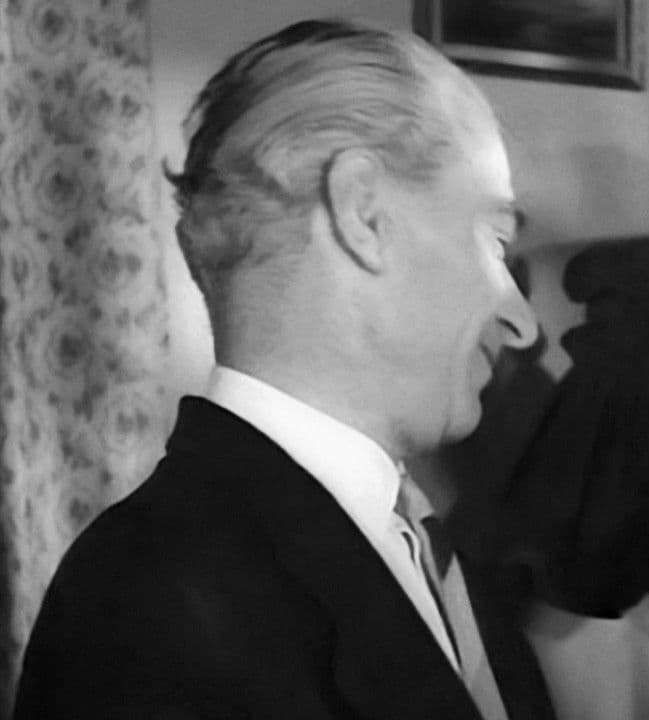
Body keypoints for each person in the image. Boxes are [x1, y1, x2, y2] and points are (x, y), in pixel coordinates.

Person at [15, 19, 554, 720]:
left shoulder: (425, 550)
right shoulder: (153, 600)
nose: (523, 322)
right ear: (364, 214)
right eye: (494, 238)